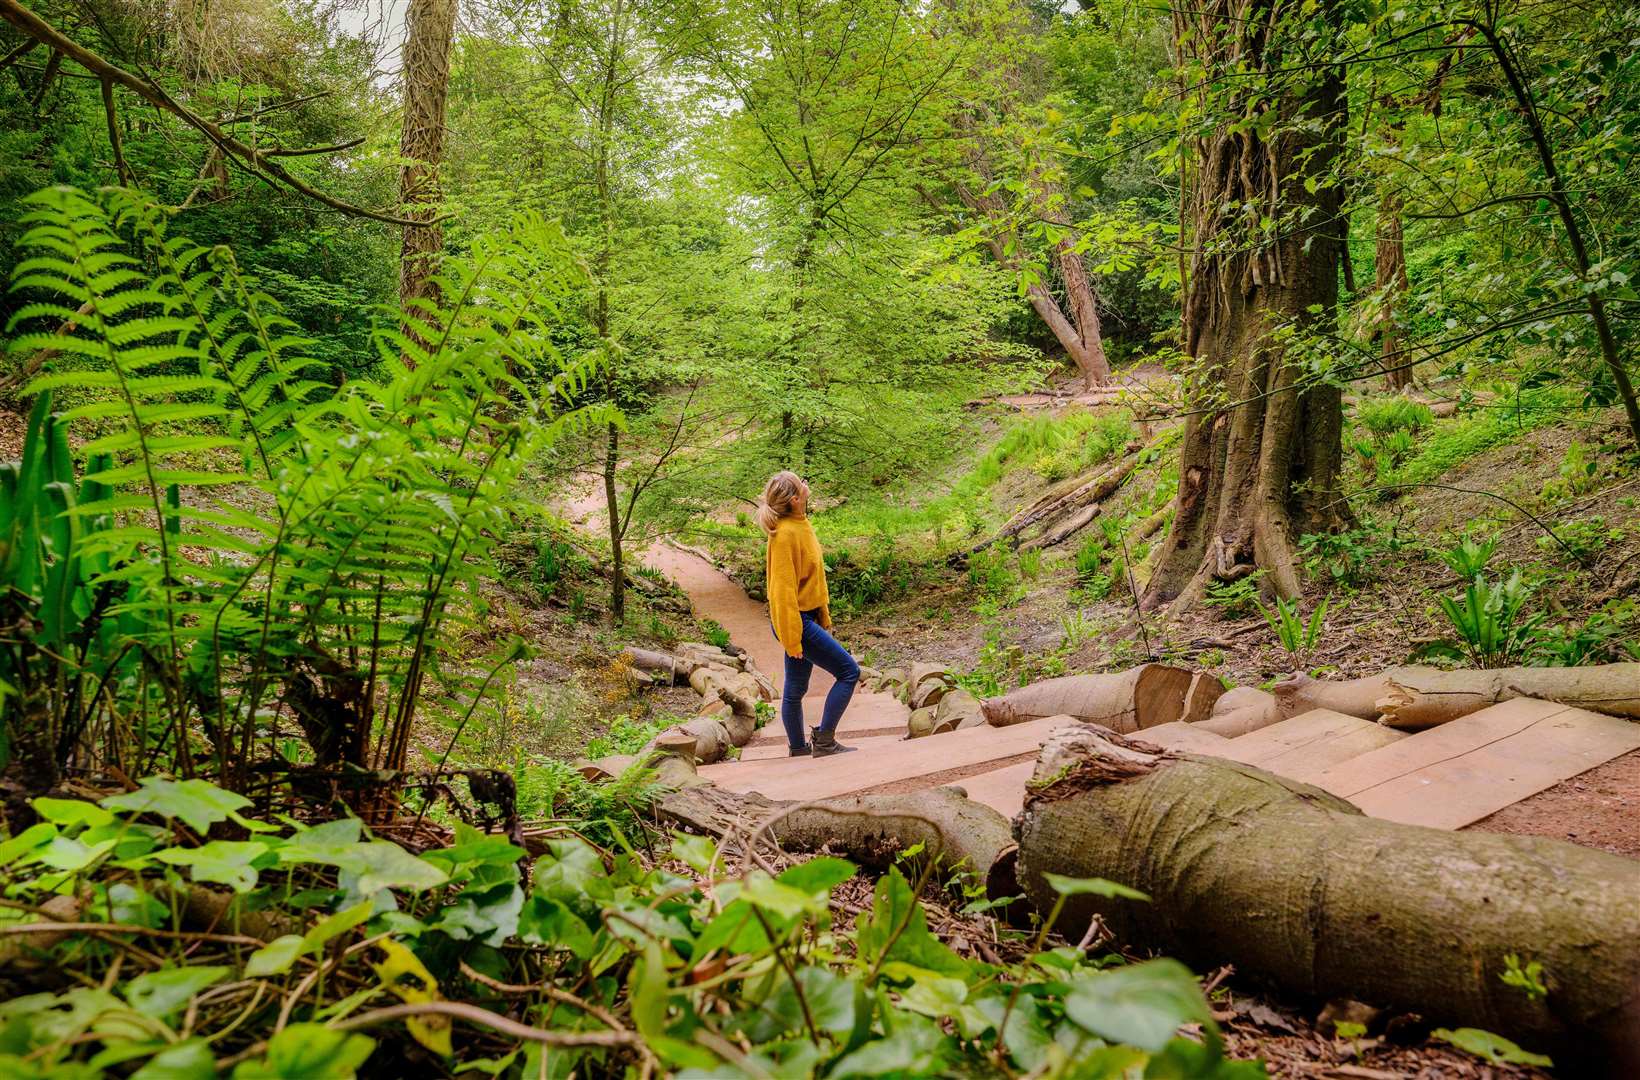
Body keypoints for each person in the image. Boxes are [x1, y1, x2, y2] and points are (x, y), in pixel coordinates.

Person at [759, 470, 859, 757]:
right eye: (801, 482)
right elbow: (781, 592)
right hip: (796, 620)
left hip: (806, 616)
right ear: (794, 498)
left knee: (795, 688)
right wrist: (792, 638)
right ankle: (825, 742)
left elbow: (814, 580)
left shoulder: (801, 523)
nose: (806, 484)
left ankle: (798, 749)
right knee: (849, 671)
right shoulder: (784, 535)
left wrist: (823, 615)